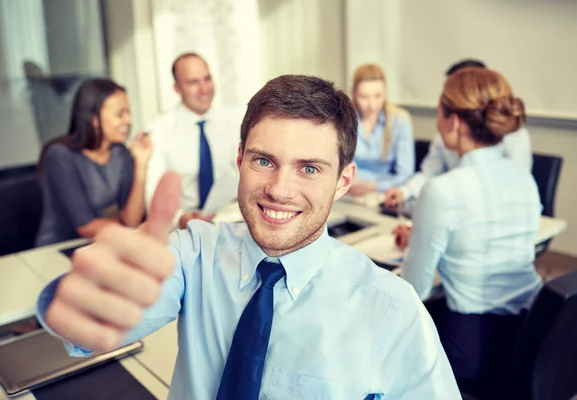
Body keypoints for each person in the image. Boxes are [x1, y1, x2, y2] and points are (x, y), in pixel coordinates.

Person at [36, 75, 461, 399]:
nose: (279, 188)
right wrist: (80, 301)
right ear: (239, 159)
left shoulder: (392, 308)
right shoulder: (192, 253)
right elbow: (101, 312)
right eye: (263, 161)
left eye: (309, 168)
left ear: (343, 180)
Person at [396, 68, 542, 396]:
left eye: (439, 112)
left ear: (456, 122)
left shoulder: (442, 191)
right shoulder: (525, 179)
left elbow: (413, 289)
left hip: (472, 350)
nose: (436, 122)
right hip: (530, 335)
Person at [384, 59, 532, 207]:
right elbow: (429, 173)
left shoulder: (513, 137)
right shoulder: (443, 140)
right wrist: (405, 191)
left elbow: (515, 186)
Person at [35, 78, 152, 246]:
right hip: (58, 249)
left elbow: (132, 219)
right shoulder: (60, 155)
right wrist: (129, 227)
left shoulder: (120, 153)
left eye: (128, 112)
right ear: (93, 119)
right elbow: (87, 227)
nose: (129, 120)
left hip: (101, 244)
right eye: (120, 114)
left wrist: (141, 164)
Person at [145, 52, 241, 228]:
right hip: (183, 226)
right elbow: (152, 195)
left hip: (230, 219)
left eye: (207, 79)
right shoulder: (159, 131)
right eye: (193, 82)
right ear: (177, 88)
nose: (204, 89)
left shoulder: (235, 122)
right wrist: (181, 218)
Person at [347, 64, 415, 196]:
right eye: (364, 97)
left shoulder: (400, 121)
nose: (371, 104)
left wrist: (374, 186)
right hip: (350, 191)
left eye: (377, 96)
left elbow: (405, 173)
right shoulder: (346, 120)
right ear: (354, 94)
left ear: (385, 93)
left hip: (384, 192)